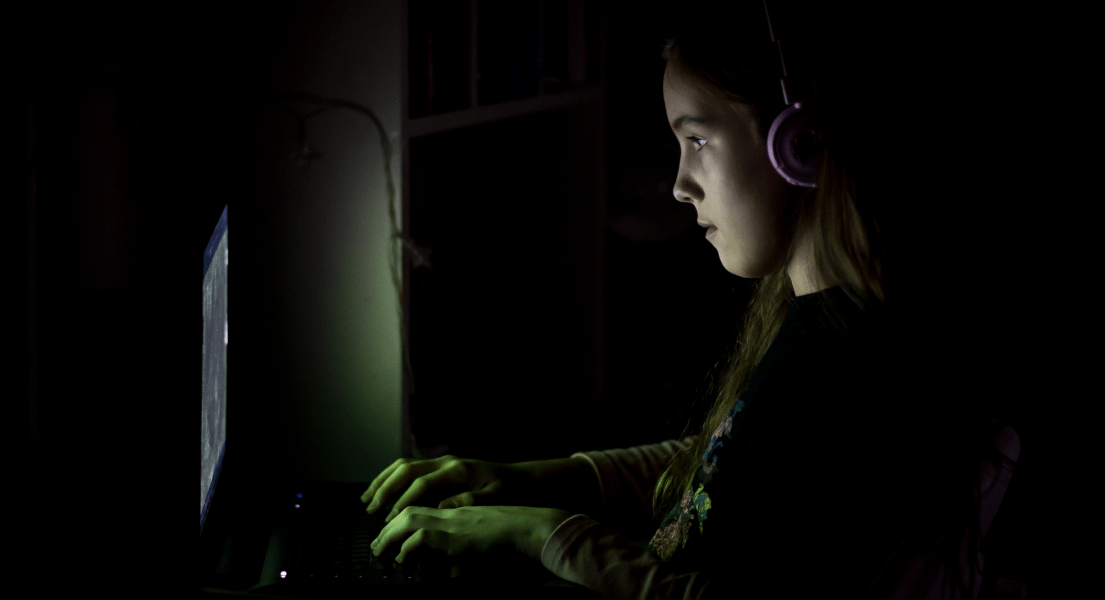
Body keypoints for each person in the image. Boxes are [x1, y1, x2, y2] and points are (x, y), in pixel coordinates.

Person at [362, 2, 1017, 598]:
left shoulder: (856, 370)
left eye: (698, 140)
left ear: (802, 140)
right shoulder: (826, 319)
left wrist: (549, 538)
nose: (678, 185)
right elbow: (729, 470)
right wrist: (534, 481)